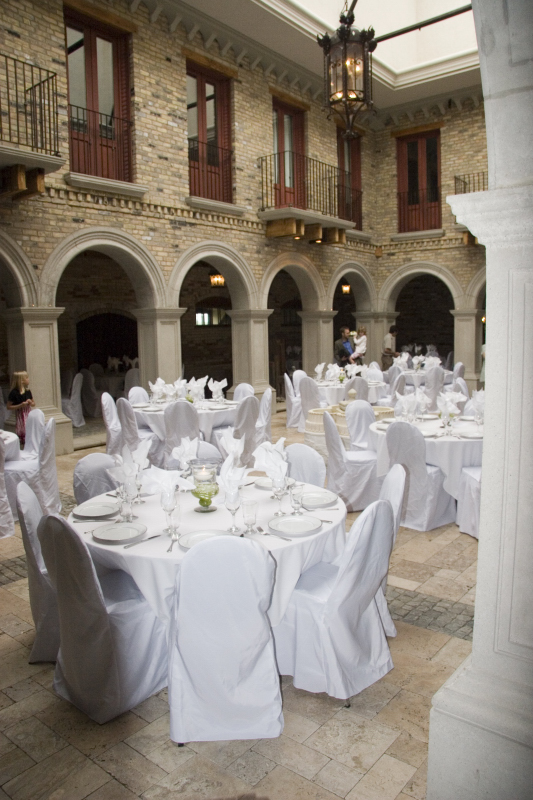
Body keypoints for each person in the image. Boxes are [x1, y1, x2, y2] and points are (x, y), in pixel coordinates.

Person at [7, 371, 35, 446]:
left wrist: (30, 402)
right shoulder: (14, 393)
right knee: (23, 431)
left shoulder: (28, 391)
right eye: (27, 378)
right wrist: (20, 405)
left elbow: (33, 404)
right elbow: (8, 407)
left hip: (28, 413)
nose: (28, 379)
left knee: (30, 430)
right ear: (22, 381)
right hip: (20, 415)